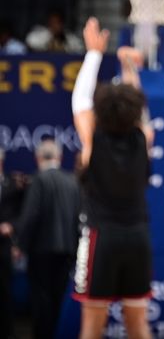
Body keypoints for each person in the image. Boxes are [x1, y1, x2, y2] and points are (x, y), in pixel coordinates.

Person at [71, 18, 154, 339]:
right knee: (138, 327)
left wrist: (94, 54)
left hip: (100, 239)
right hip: (137, 237)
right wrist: (129, 65)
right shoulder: (141, 139)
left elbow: (79, 101)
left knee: (92, 328)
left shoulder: (94, 140)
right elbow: (137, 106)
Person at [10, 139, 80, 339]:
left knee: (41, 300)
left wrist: (19, 245)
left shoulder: (38, 180)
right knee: (61, 297)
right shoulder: (72, 181)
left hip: (41, 250)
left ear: (38, 158)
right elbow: (79, 216)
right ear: (59, 157)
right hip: (67, 250)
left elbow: (30, 215)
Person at [0, 148, 26, 339]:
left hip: (4, 247)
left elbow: (24, 215)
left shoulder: (14, 184)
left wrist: (12, 226)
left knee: (4, 293)